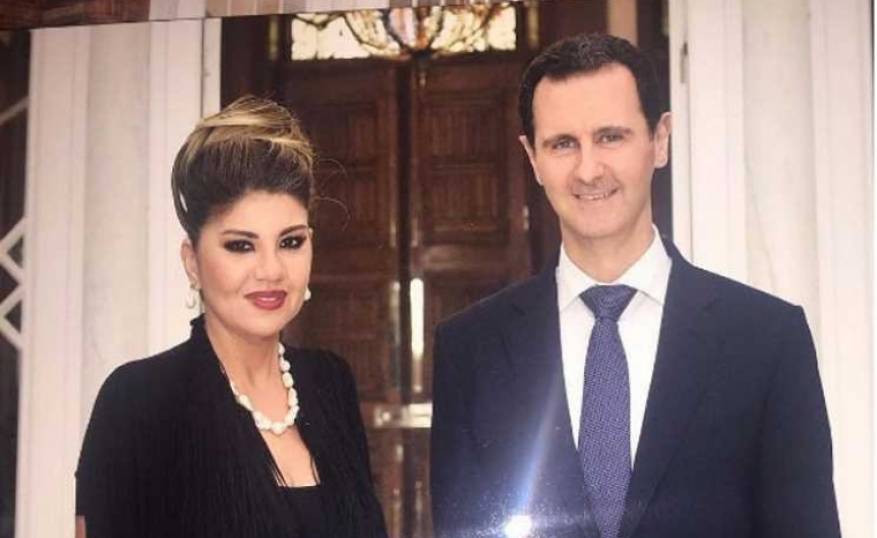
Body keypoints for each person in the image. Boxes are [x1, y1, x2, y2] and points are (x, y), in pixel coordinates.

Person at [430, 33, 841, 538]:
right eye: (563, 144)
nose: (588, 170)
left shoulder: (767, 338)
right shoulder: (471, 350)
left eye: (610, 137)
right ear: (532, 157)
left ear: (660, 140)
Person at [75, 97, 387, 538]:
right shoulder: (138, 401)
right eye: (241, 245)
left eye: (290, 242)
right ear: (192, 262)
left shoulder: (331, 382)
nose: (271, 270)